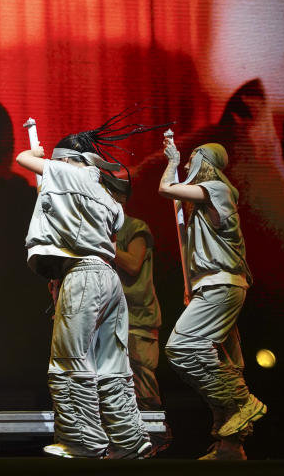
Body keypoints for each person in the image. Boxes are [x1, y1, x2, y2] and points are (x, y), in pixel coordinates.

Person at [16, 114, 156, 459]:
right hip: (109, 278)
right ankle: (130, 442)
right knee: (113, 366)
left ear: (67, 160)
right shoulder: (106, 195)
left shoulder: (65, 172)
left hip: (82, 276)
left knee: (70, 359)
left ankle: (83, 441)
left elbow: (23, 159)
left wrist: (40, 157)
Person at [159, 138, 265, 460]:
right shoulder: (206, 199)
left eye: (192, 157)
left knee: (183, 348)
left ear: (205, 161)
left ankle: (244, 400)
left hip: (222, 285)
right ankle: (230, 444)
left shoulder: (216, 188)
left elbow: (166, 188)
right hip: (213, 285)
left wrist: (171, 161)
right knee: (225, 363)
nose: (187, 162)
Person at [112, 188, 172, 454]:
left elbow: (134, 264)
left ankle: (155, 441)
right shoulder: (103, 230)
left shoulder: (136, 228)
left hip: (138, 317)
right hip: (112, 317)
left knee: (143, 383)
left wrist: (106, 245)